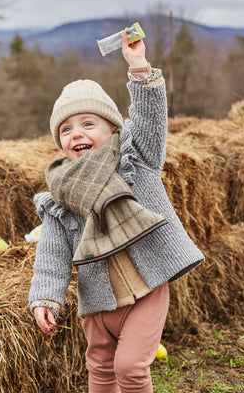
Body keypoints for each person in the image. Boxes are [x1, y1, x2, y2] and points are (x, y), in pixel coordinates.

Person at [28, 32, 204, 393]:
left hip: (146, 290)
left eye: (88, 124)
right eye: (66, 129)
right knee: (101, 369)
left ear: (114, 129)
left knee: (130, 368)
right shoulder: (60, 195)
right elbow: (52, 255)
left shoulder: (136, 160)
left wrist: (139, 68)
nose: (76, 133)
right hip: (97, 300)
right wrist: (45, 298)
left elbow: (150, 117)